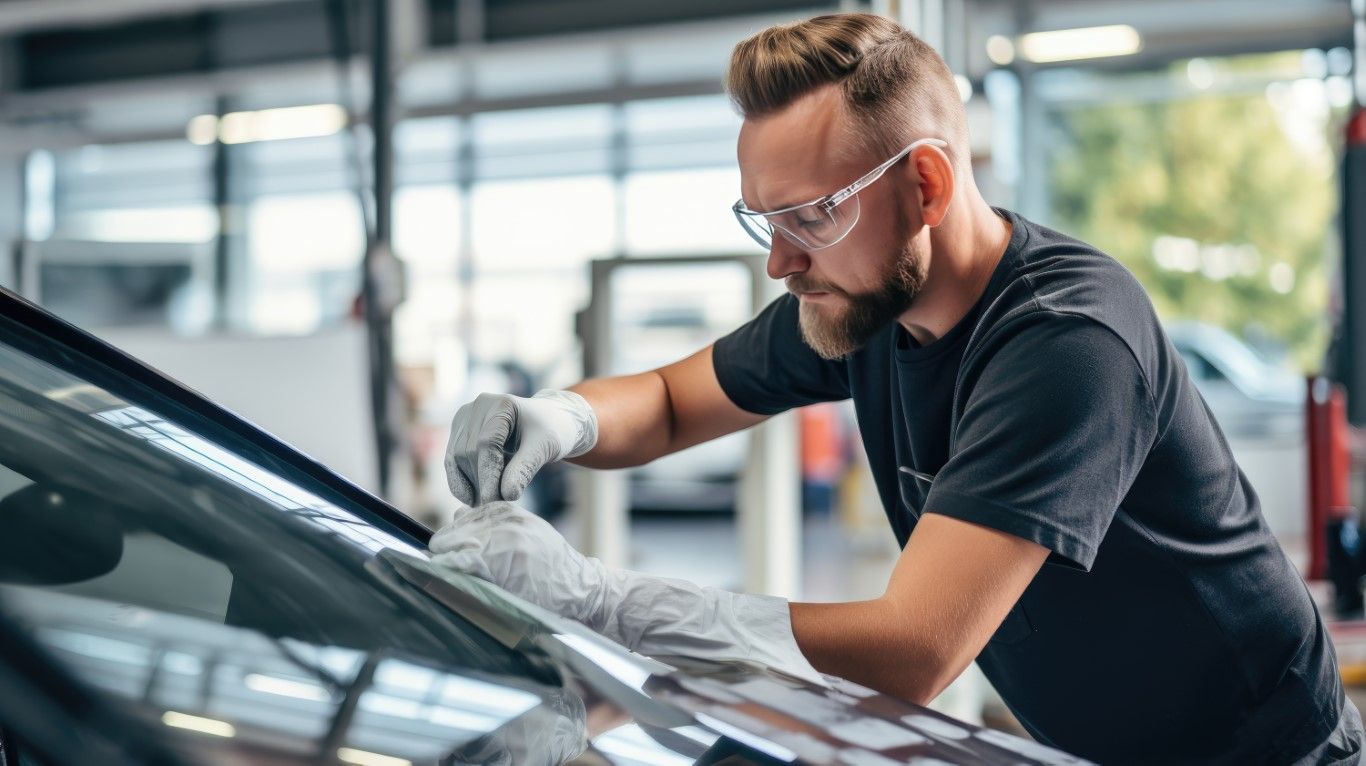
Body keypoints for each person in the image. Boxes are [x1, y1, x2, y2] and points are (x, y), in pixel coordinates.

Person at [431, 13, 1360, 764]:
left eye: (812, 215)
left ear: (924, 183)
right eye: (764, 220)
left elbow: (914, 650)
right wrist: (558, 416)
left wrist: (600, 601)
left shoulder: (1067, 341)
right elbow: (674, 400)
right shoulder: (863, 301)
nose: (783, 261)